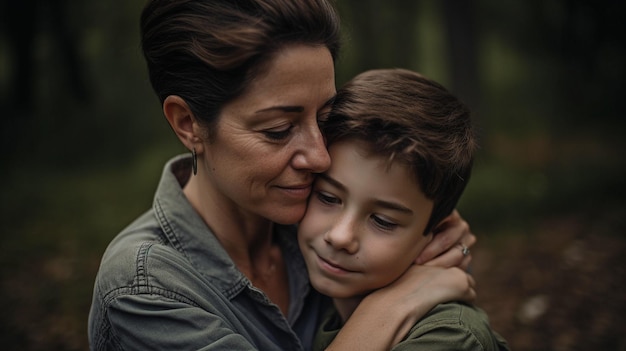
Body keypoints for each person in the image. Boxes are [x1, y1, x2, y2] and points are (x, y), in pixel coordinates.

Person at [88, 1, 478, 350]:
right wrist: (392, 305)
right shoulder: (145, 288)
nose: (319, 156)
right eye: (278, 129)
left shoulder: (318, 225)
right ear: (188, 123)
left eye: (325, 119)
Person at [298, 68, 509, 350]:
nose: (340, 236)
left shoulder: (449, 339)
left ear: (438, 232)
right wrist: (394, 303)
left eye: (383, 221)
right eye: (327, 197)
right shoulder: (312, 293)